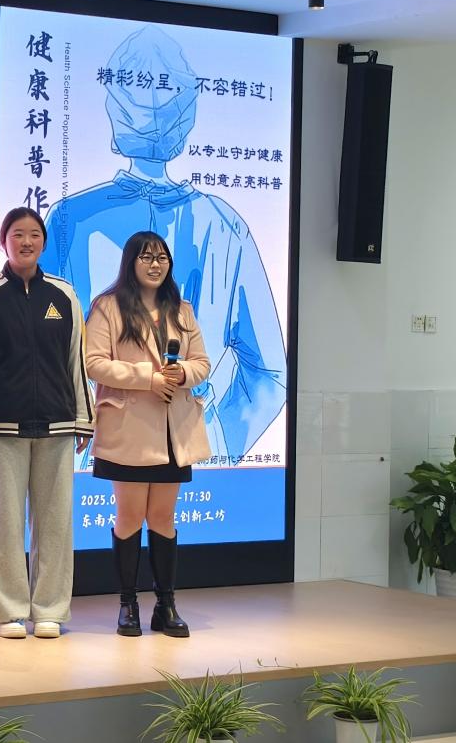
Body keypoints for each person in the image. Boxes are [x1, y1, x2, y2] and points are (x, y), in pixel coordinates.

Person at [40, 25, 285, 462]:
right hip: (125, 440)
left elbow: (269, 371)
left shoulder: (70, 217)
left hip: (111, 443)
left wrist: (209, 440)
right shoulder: (223, 224)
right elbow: (267, 373)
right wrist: (217, 439)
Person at [0, 207, 95, 640]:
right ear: (3, 242)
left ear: (44, 242)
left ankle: (50, 610)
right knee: (4, 525)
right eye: (17, 234)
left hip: (58, 425)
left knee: (55, 525)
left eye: (34, 235)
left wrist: (83, 419)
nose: (26, 242)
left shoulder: (64, 294)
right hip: (2, 427)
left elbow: (76, 360)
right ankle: (8, 612)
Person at [85, 230, 211, 639]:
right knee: (129, 516)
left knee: (163, 517)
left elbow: (202, 362)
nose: (155, 265)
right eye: (146, 257)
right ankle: (128, 604)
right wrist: (148, 378)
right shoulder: (108, 307)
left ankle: (165, 604)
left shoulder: (182, 309)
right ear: (131, 262)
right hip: (129, 429)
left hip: (174, 432)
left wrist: (181, 373)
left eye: (162, 258)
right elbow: (94, 363)